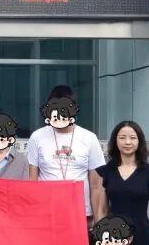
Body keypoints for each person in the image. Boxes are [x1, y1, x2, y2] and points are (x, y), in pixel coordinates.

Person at [26, 87, 104, 222]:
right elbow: (32, 181)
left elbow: (97, 185)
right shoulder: (37, 137)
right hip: (46, 212)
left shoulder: (89, 138)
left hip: (81, 214)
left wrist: (98, 221)